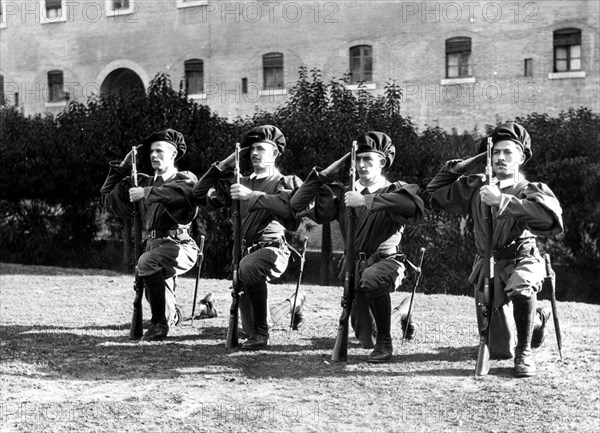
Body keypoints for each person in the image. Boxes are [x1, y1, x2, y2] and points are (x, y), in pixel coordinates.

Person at [426, 122, 563, 377]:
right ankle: (537, 319)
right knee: (500, 349)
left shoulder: (529, 189)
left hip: (523, 259)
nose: (501, 158)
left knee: (521, 285)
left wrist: (501, 200)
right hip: (488, 265)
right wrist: (457, 168)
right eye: (495, 152)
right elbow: (433, 194)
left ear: (521, 157)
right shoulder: (476, 187)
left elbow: (550, 222)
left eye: (508, 152)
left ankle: (525, 352)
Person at [290, 132, 425, 363]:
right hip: (354, 269)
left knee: (372, 279)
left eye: (368, 160)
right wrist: (322, 175)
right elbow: (296, 204)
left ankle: (386, 343)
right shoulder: (343, 193)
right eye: (357, 159)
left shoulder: (395, 189)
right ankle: (401, 312)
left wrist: (365, 201)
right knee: (366, 338)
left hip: (386, 263)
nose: (361, 165)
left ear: (382, 162)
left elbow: (412, 206)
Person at [192, 125, 305, 349]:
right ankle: (294, 303)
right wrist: (223, 165)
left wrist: (252, 195)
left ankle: (262, 334)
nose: (254, 153)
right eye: (251, 149)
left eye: (261, 149)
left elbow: (292, 209)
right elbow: (197, 194)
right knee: (248, 326)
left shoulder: (284, 182)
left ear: (274, 153)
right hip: (243, 257)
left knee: (249, 268)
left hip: (273, 250)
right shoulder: (238, 182)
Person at [101, 128, 211, 341]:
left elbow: (186, 193)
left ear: (173, 155)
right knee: (170, 312)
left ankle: (159, 325)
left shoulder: (185, 178)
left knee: (147, 262)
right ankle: (203, 307)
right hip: (153, 248)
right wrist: (122, 170)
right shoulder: (142, 182)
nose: (153, 155)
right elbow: (107, 199)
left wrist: (147, 193)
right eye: (151, 152)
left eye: (159, 151)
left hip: (179, 246)